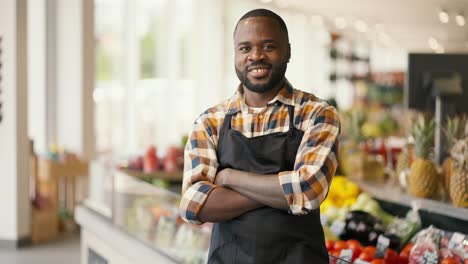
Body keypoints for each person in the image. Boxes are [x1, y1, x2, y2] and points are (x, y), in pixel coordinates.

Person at [179, 8, 340, 264]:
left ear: (287, 51)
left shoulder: (317, 114)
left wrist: (230, 177)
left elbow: (308, 192)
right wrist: (282, 193)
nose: (256, 56)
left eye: (268, 46)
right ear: (235, 54)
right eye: (245, 48)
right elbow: (193, 206)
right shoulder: (210, 122)